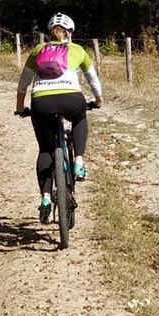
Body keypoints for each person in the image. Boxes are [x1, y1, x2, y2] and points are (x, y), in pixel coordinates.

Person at [15, 12, 103, 224]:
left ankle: (45, 198)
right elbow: (93, 80)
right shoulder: (78, 50)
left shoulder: (38, 50)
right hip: (71, 99)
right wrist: (98, 101)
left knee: (45, 149)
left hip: (41, 103)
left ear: (49, 33)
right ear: (70, 33)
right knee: (80, 118)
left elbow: (24, 82)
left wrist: (20, 108)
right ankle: (79, 161)